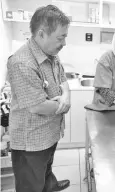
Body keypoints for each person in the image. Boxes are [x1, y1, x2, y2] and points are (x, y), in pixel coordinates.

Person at [7, 5, 71, 192]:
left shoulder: (52, 55)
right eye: (61, 37)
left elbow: (63, 81)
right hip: (32, 141)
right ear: (42, 34)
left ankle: (49, 185)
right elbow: (37, 106)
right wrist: (65, 105)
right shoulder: (22, 62)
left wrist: (65, 95)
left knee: (46, 169)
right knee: (30, 185)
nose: (64, 43)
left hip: (49, 133)